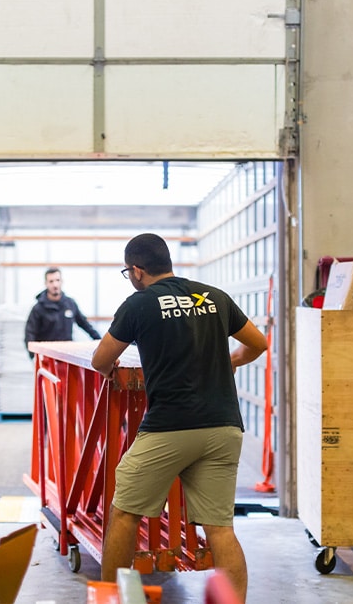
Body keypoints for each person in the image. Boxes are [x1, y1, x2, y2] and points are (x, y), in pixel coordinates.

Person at [90, 233, 268, 602]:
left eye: (129, 272)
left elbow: (100, 359)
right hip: (224, 426)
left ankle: (112, 600)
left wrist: (110, 369)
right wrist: (230, 361)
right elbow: (258, 343)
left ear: (137, 270)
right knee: (220, 528)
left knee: (125, 514)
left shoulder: (139, 304)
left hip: (170, 427)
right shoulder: (213, 296)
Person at [24, 267, 101, 357]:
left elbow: (84, 324)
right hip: (47, 357)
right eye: (51, 281)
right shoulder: (38, 309)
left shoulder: (70, 304)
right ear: (46, 284)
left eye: (57, 280)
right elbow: (30, 333)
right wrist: (33, 356)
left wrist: (100, 342)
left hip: (67, 355)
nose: (55, 284)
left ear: (62, 281)